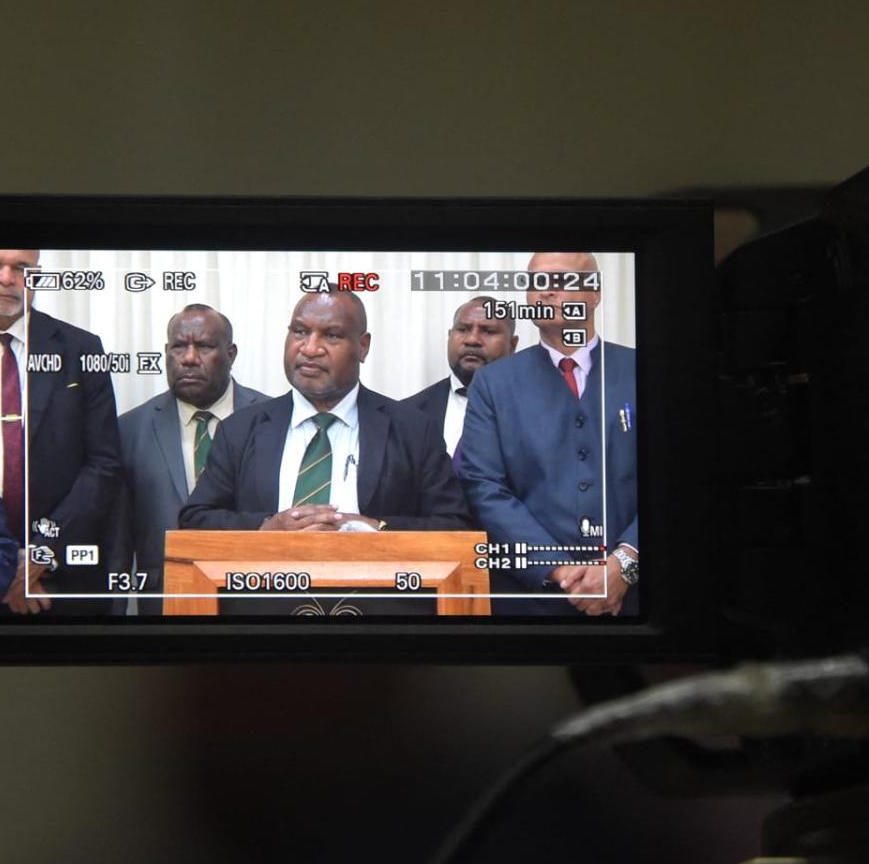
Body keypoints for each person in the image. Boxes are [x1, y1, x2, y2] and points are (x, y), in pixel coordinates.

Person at [180, 290, 473, 533]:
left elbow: (455, 526)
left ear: (363, 346)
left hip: (375, 599)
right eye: (300, 331)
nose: (309, 348)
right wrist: (265, 527)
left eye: (331, 336)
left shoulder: (413, 430)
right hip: (268, 597)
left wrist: (376, 529)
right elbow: (195, 519)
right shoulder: (240, 429)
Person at [457, 252, 639, 616]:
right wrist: (563, 571)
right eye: (536, 283)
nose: (545, 292)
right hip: (531, 601)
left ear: (595, 292)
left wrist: (625, 562)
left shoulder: (642, 369)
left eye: (561, 281)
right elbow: (484, 486)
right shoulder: (493, 384)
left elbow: (676, 479)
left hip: (638, 599)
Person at [112, 304, 269, 613]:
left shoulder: (270, 419)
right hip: (167, 601)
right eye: (178, 346)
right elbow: (117, 541)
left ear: (231, 353)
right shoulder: (130, 429)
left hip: (257, 597)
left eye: (205, 346)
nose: (189, 358)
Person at [0, 248, 122, 615]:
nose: (5, 278)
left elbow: (103, 465)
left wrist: (39, 554)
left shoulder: (81, 348)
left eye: (21, 268)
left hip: (61, 580)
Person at [404, 296, 519, 455]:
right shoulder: (407, 413)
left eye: (488, 331)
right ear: (450, 335)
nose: (472, 340)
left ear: (512, 345)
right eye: (463, 329)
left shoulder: (537, 412)